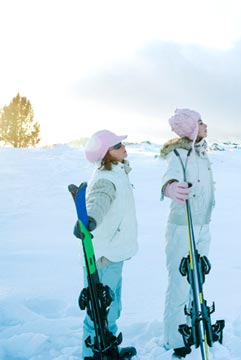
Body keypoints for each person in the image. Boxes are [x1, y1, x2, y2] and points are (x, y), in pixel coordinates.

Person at [74, 129, 138, 360]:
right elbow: (98, 201)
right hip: (103, 256)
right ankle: (91, 354)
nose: (124, 148)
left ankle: (108, 349)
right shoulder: (105, 179)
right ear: (107, 153)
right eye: (118, 146)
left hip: (114, 251)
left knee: (110, 306)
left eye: (122, 144)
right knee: (98, 308)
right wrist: (89, 219)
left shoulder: (118, 172)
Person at [160, 108, 215, 358]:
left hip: (202, 224)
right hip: (183, 226)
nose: (206, 126)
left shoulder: (202, 153)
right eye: (201, 123)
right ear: (192, 129)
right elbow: (169, 177)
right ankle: (175, 337)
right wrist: (170, 188)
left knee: (198, 278)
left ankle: (194, 325)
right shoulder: (179, 155)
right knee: (181, 281)